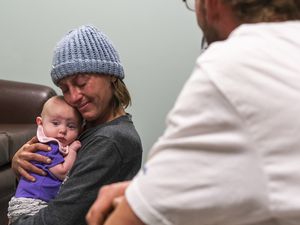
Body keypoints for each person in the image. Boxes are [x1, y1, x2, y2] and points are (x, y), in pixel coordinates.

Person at [86, 0, 300, 225]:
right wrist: (147, 192)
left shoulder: (237, 63)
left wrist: (142, 200)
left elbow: (126, 220)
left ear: (211, 4)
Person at [11, 25, 143, 225]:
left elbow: (59, 219)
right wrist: (21, 165)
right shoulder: (84, 128)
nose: (73, 97)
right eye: (65, 89)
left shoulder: (110, 142)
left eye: (81, 83)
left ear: (111, 75)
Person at [8, 95, 82, 223]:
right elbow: (62, 172)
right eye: (55, 123)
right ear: (40, 123)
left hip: (30, 200)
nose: (62, 130)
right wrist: (73, 150)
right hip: (32, 204)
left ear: (81, 129)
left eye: (71, 126)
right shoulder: (49, 146)